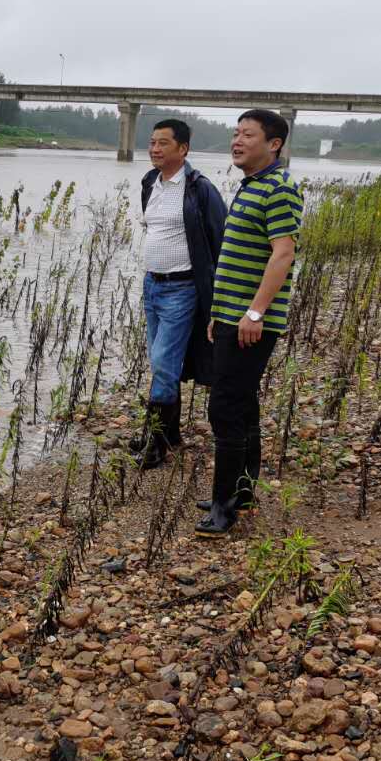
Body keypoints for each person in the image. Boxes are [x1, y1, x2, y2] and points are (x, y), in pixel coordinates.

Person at [196, 109, 303, 537]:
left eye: (247, 135)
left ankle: (223, 506)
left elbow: (283, 253)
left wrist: (255, 312)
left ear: (273, 144)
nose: (237, 141)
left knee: (224, 406)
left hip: (252, 321)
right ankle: (241, 490)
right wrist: (219, 314)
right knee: (243, 403)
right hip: (233, 317)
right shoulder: (252, 186)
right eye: (235, 133)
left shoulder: (279, 188)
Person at [131, 118, 226, 469]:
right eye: (152, 143)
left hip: (182, 288)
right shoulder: (149, 183)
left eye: (163, 143)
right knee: (160, 360)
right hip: (151, 285)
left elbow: (219, 239)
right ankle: (169, 435)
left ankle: (156, 444)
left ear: (183, 149)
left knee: (163, 364)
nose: (155, 149)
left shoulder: (200, 189)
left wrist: (217, 295)